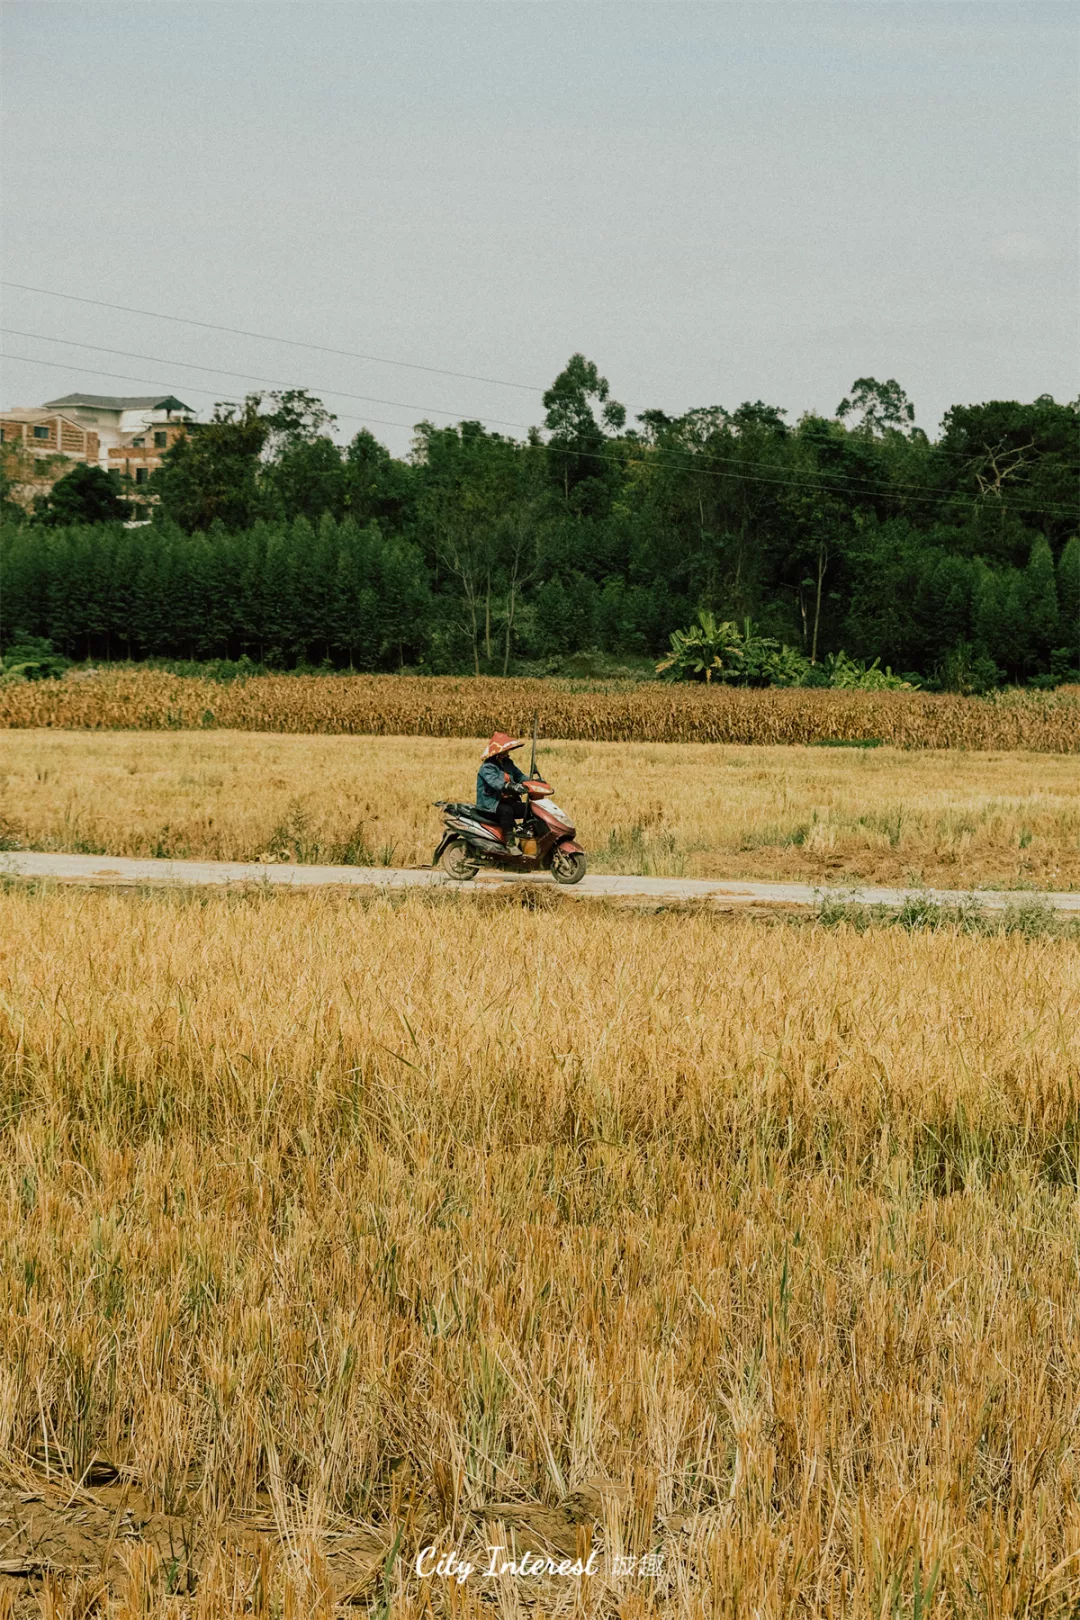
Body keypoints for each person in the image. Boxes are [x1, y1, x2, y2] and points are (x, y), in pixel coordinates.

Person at [476, 731, 527, 842]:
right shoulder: (488, 766)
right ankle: (510, 843)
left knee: (530, 809)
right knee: (506, 811)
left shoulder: (508, 763)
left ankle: (529, 838)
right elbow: (495, 782)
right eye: (504, 750)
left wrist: (533, 783)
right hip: (490, 805)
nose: (507, 752)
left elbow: (520, 776)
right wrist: (510, 786)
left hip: (506, 800)